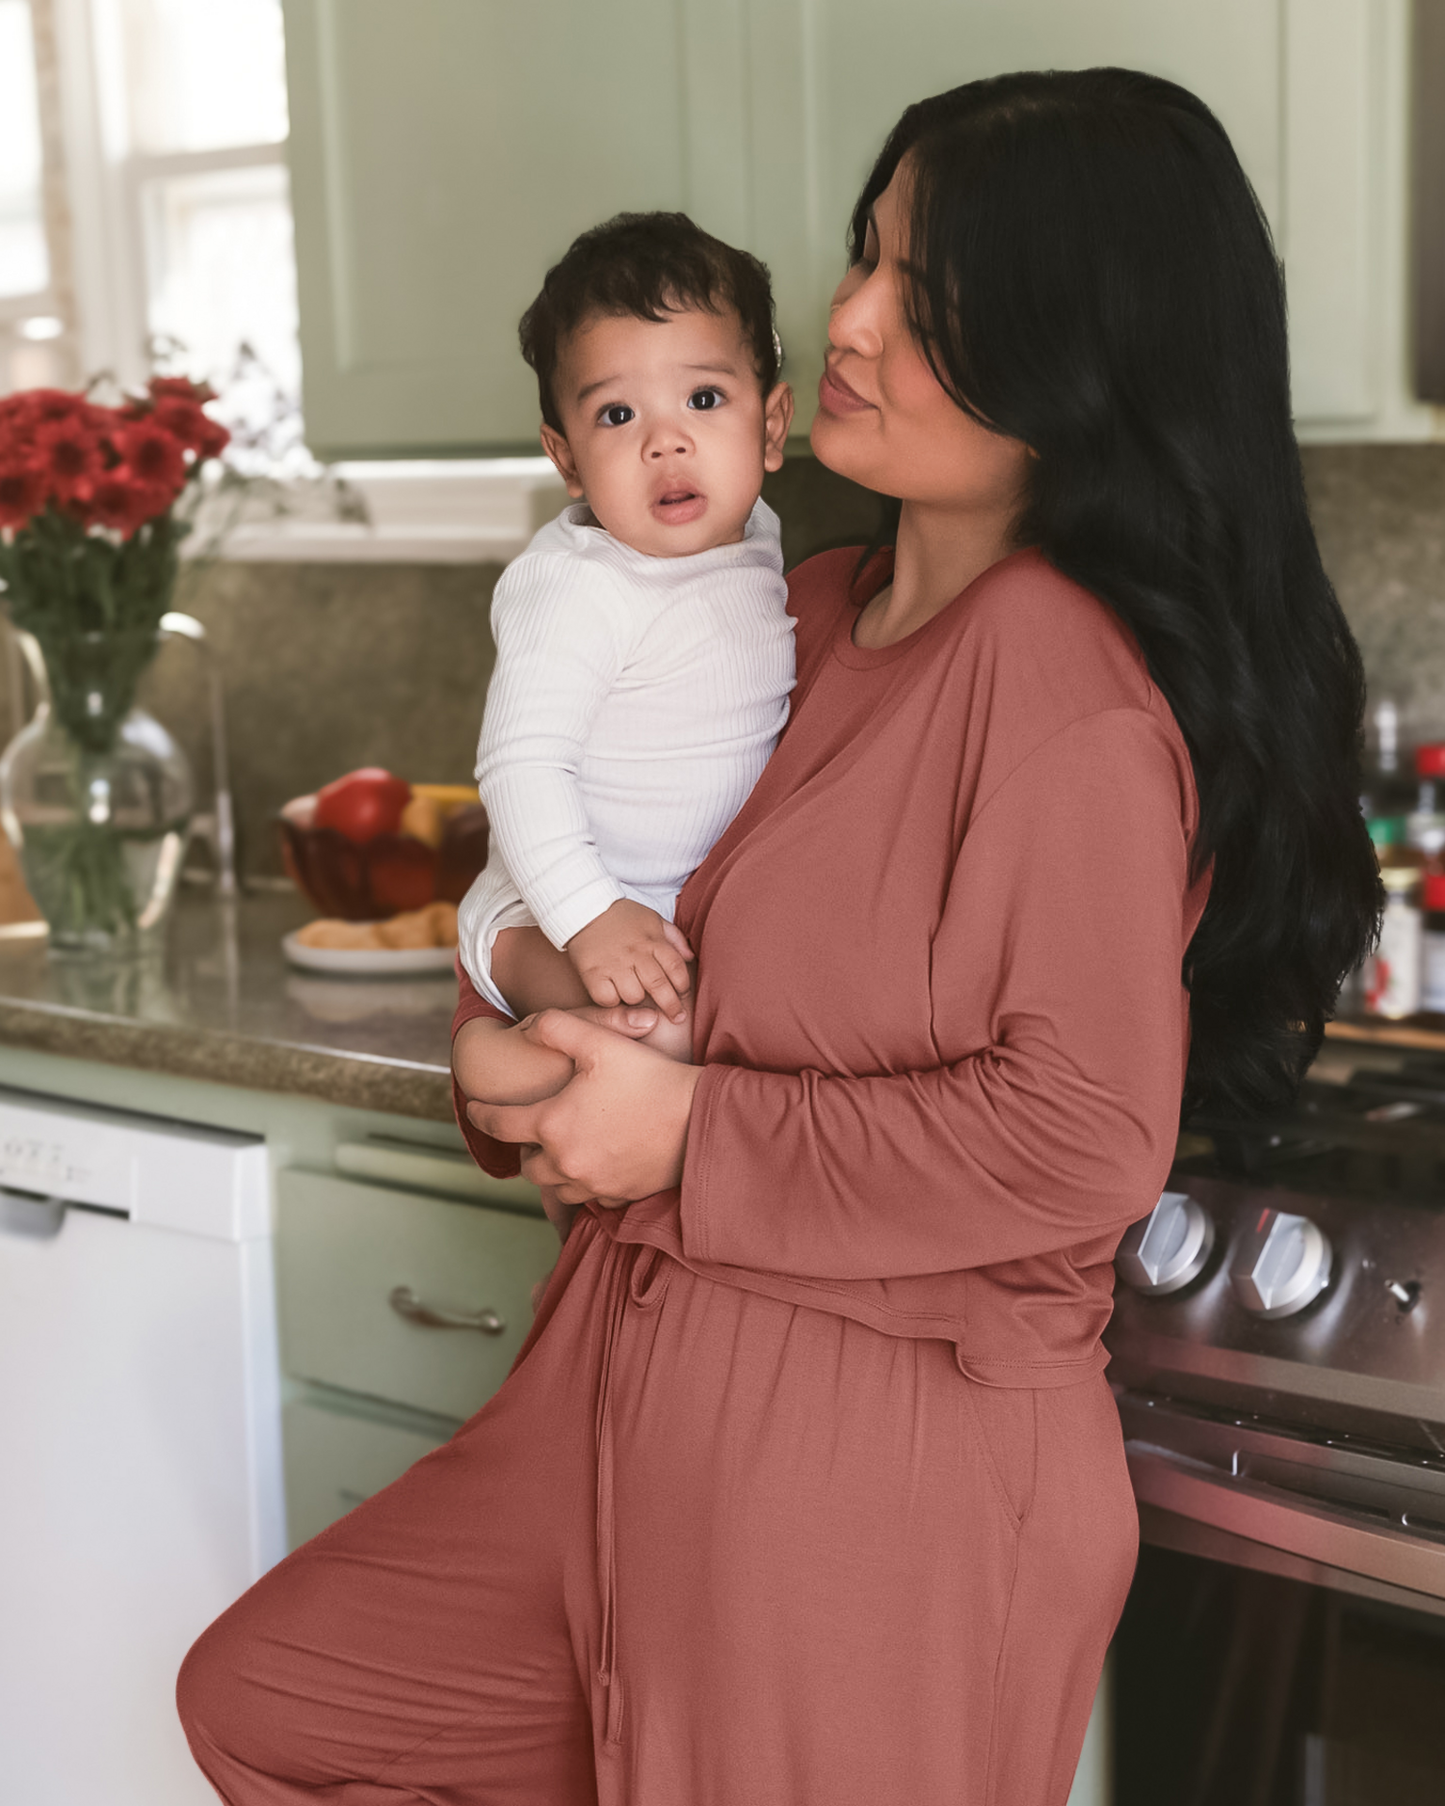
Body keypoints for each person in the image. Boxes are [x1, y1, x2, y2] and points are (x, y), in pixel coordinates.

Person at [176, 69, 1381, 1806]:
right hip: (625, 1375)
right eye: (865, 254)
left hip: (879, 1465)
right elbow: (581, 865)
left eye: (930, 284)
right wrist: (508, 1016)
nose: (855, 317)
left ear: (1081, 345)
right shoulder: (791, 602)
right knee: (279, 1702)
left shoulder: (1062, 685)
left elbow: (1085, 1134)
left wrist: (684, 1130)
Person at [455, 213, 796, 1113]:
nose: (665, 441)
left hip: (661, 924)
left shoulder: (756, 540)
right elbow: (519, 764)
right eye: (616, 414)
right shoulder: (576, 585)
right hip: (548, 913)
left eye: (705, 400)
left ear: (772, 425)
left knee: (689, 1057)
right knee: (663, 1053)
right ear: (566, 458)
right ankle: (492, 1064)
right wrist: (589, 916)